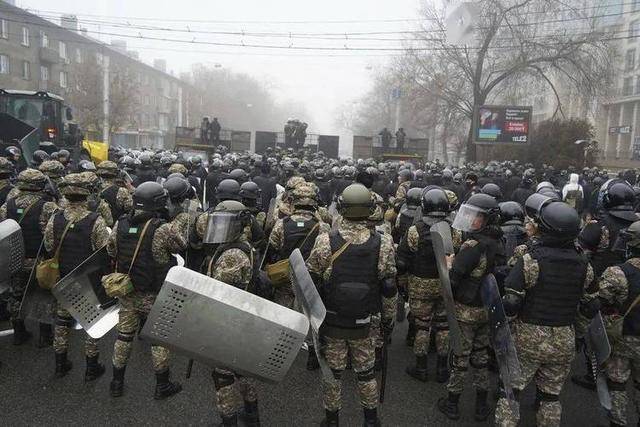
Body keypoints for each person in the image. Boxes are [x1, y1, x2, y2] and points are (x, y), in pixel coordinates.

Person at [496, 198, 593, 426]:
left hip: (528, 336)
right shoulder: (584, 265)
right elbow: (590, 307)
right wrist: (578, 335)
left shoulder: (530, 261)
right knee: (551, 396)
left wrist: (504, 331)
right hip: (564, 337)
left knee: (511, 392)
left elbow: (511, 302)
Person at [306, 183, 397, 427]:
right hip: (366, 322)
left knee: (333, 375)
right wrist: (388, 320)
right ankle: (370, 420)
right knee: (366, 374)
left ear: (342, 208)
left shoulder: (325, 240)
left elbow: (311, 280)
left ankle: (332, 421)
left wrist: (312, 320)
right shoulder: (384, 242)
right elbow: (389, 287)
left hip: (333, 321)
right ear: (370, 209)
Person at [107, 181, 184, 400]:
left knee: (123, 337)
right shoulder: (162, 228)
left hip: (128, 291)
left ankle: (116, 382)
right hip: (154, 293)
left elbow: (111, 249)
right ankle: (162, 384)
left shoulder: (121, 223)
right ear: (159, 202)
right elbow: (181, 246)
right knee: (158, 340)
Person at [438, 193, 503, 421]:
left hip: (466, 310)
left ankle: (452, 403)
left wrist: (449, 265)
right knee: (481, 356)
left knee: (461, 357)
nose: (471, 220)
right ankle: (481, 405)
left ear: (488, 220)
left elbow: (454, 279)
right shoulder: (498, 242)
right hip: (487, 308)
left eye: (477, 216)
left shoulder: (473, 246)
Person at [44, 172, 110, 380]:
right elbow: (104, 251)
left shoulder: (55, 218)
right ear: (86, 194)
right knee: (91, 321)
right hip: (88, 280)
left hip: (63, 278)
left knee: (62, 321)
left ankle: (60, 364)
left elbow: (48, 245)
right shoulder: (95, 220)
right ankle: (91, 367)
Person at [202, 200, 261, 427]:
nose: (220, 228)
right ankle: (252, 415)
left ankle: (229, 421)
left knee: (223, 376)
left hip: (227, 323)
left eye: (225, 223)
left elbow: (219, 292)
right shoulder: (239, 246)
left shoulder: (232, 255)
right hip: (242, 320)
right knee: (243, 369)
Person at [397, 187, 457, 384]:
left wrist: (402, 283)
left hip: (420, 284)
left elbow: (402, 260)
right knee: (443, 326)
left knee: (422, 326)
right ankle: (442, 368)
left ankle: (421, 367)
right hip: (445, 284)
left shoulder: (415, 230)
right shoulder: (455, 230)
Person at [0, 169, 58, 346]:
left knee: (16, 294)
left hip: (15, 258)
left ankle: (19, 332)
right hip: (38, 260)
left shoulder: (7, 205)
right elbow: (52, 236)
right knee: (43, 294)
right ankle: (44, 336)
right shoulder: (48, 206)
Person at [596, 220, 640, 427]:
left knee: (617, 382)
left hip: (625, 335)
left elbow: (601, 300)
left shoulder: (618, 272)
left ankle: (618, 421)